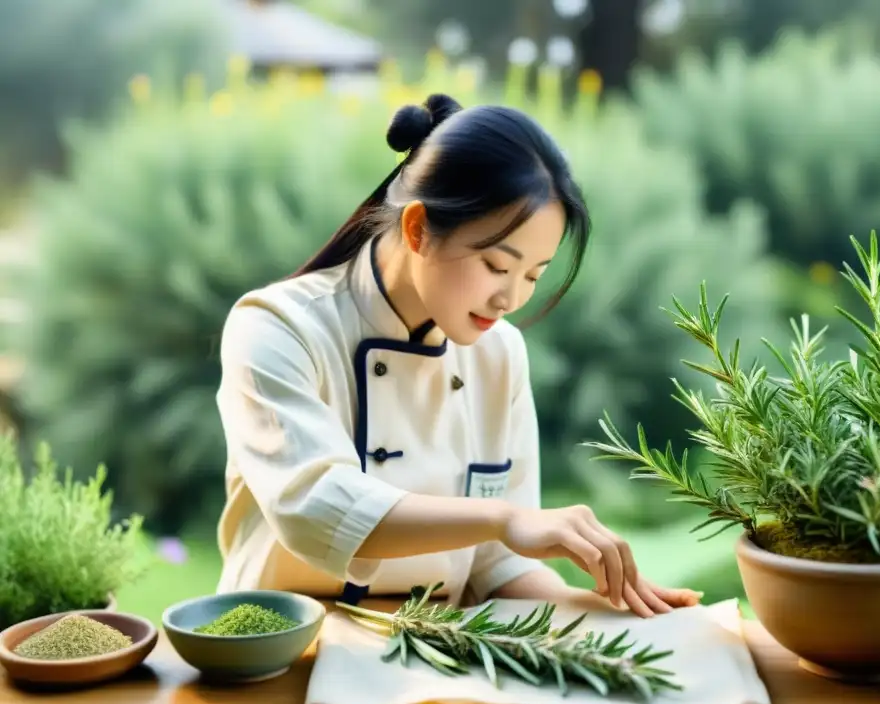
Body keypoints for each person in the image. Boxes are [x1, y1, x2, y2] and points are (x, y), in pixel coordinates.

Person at [214, 93, 702, 618]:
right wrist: (502, 517)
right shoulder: (277, 328)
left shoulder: (500, 354)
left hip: (428, 653)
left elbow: (497, 565)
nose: (511, 298)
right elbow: (317, 508)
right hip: (278, 652)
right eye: (496, 265)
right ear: (418, 227)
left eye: (533, 275)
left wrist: (610, 612)